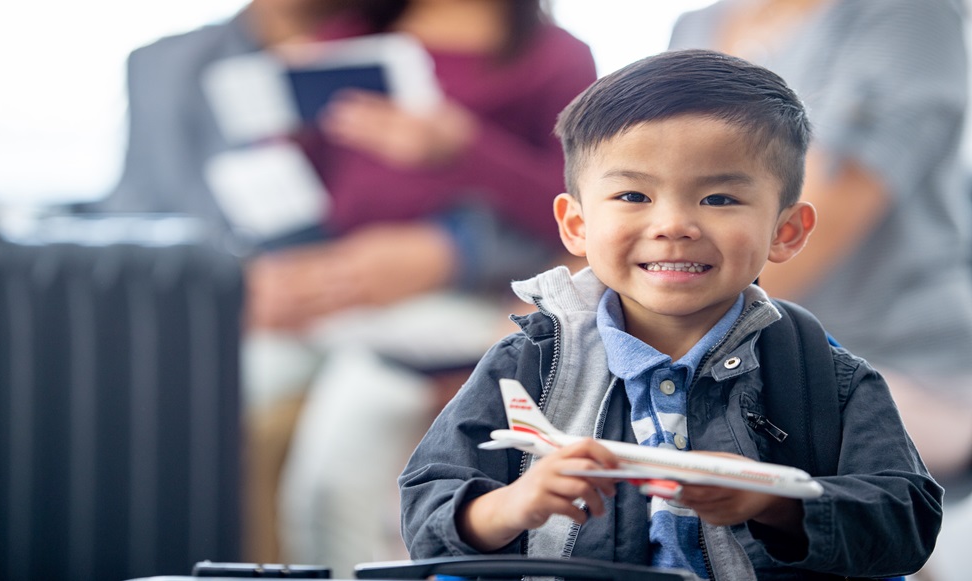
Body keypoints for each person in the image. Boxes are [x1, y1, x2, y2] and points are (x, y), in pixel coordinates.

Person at [399, 49, 942, 579]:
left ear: (786, 231)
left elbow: (907, 524)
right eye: (634, 195)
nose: (674, 224)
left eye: (720, 199)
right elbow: (427, 511)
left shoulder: (824, 375)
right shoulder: (527, 365)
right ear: (577, 226)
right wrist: (512, 506)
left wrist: (777, 502)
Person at [94, 0, 597, 567]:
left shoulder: (554, 57)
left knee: (333, 480)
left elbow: (581, 209)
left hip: (455, 306)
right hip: (337, 296)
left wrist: (463, 150)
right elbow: (292, 177)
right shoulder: (350, 37)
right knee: (186, 414)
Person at [667, 0, 972, 483]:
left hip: (895, 367)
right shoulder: (696, 25)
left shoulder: (909, 14)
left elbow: (806, 231)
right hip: (744, 354)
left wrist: (635, 326)